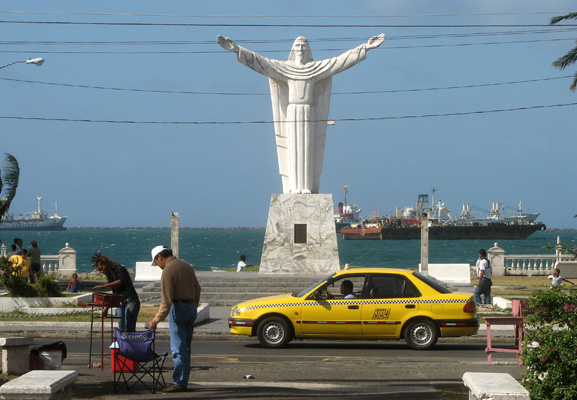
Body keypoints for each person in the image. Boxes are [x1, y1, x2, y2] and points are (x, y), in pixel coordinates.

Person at [217, 34, 385, 194]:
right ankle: (294, 187)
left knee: (307, 152)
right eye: (297, 46)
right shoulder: (285, 69)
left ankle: (306, 187)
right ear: (293, 50)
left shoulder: (315, 69)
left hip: (309, 113)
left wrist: (365, 47)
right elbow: (262, 63)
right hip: (292, 113)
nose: (300, 50)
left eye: (303, 47)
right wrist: (237, 50)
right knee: (293, 151)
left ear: (308, 50)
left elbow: (340, 62)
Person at [148, 245, 201, 393]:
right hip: (191, 307)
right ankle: (183, 380)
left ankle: (179, 382)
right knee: (186, 347)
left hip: (178, 308)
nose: (157, 265)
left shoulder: (168, 271)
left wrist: (157, 319)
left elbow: (167, 300)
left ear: (160, 257)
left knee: (178, 348)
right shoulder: (186, 265)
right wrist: (194, 305)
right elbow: (198, 288)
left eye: (156, 262)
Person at [91, 253, 140, 332]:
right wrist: (106, 308)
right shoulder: (110, 276)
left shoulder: (119, 269)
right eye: (100, 270)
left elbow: (121, 281)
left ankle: (128, 343)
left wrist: (104, 286)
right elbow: (115, 293)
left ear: (105, 264)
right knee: (121, 327)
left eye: (102, 268)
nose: (102, 271)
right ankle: (122, 343)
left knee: (129, 327)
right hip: (120, 302)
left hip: (130, 300)